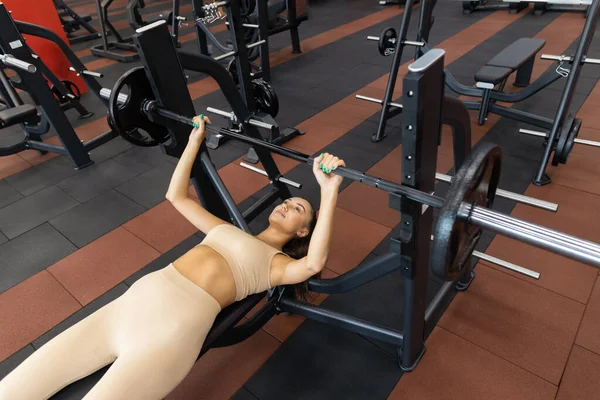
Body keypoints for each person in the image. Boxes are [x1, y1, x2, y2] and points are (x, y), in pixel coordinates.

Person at [0, 115, 345, 399]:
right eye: (288, 200)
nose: (287, 203)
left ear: (303, 231)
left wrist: (328, 193)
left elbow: (312, 265)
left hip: (172, 331)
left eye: (299, 207)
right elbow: (176, 196)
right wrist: (193, 142)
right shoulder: (226, 230)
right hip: (127, 306)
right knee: (16, 387)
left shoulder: (276, 265)